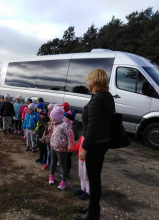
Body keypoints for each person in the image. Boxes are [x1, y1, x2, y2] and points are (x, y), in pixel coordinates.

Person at [76, 68, 115, 220]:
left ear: (95, 81)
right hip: (102, 141)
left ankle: (93, 214)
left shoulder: (98, 99)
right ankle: (92, 207)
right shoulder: (106, 96)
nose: (86, 83)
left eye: (88, 80)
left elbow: (93, 126)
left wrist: (84, 148)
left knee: (93, 179)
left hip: (94, 144)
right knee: (94, 177)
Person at [48, 106, 74, 190]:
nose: (51, 119)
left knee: (63, 164)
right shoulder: (54, 124)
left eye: (52, 117)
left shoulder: (65, 125)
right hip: (53, 146)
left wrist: (70, 146)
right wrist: (51, 142)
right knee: (53, 161)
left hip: (61, 149)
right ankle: (51, 176)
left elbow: (70, 136)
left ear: (56, 118)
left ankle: (64, 181)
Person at [69, 136, 90, 200]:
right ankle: (83, 188)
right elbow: (80, 144)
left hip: (87, 159)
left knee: (86, 176)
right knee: (81, 174)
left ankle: (88, 192)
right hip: (81, 158)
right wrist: (73, 148)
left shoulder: (89, 136)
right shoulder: (83, 135)